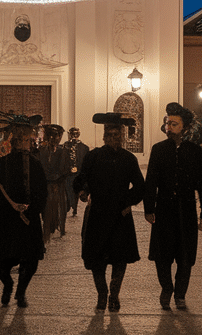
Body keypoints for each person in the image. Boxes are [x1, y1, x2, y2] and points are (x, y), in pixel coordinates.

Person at [144, 102, 202, 311]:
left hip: (186, 211)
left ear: (184, 126)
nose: (169, 127)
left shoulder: (194, 151)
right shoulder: (158, 149)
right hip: (163, 210)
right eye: (168, 123)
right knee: (161, 256)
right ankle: (167, 288)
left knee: (185, 257)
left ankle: (180, 294)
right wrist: (149, 208)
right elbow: (151, 181)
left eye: (174, 124)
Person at [75, 112, 145, 312]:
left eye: (117, 135)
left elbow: (140, 186)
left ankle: (114, 295)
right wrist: (83, 191)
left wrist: (128, 202)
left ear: (122, 137)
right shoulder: (93, 156)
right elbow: (82, 178)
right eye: (111, 135)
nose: (114, 138)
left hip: (120, 216)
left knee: (119, 259)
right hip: (97, 214)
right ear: (105, 136)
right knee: (97, 259)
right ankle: (102, 294)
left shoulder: (129, 159)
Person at [0, 113, 47, 307]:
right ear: (12, 140)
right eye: (18, 139)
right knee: (3, 265)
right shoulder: (1, 164)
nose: (22, 143)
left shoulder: (36, 165)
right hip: (8, 220)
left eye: (26, 139)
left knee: (31, 262)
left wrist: (33, 209)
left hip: (29, 219)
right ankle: (8, 285)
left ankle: (21, 291)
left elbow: (42, 192)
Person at [37, 124, 68, 242]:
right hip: (44, 185)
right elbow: (40, 167)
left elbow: (64, 169)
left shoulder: (63, 151)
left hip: (57, 186)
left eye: (56, 136)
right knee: (45, 210)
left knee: (58, 209)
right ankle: (46, 232)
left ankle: (55, 228)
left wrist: (55, 180)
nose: (53, 139)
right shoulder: (41, 151)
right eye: (50, 136)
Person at [64, 127, 90, 217]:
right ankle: (71, 207)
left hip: (77, 174)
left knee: (74, 192)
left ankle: (73, 207)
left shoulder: (84, 148)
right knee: (70, 191)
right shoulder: (66, 146)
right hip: (71, 174)